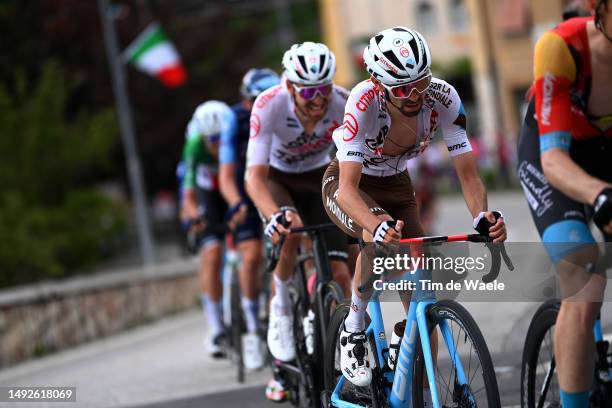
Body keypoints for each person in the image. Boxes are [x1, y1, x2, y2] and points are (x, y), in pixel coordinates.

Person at [321, 26, 507, 387]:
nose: (416, 96)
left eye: (421, 83)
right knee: (379, 244)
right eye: (403, 89)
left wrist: (482, 217)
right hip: (350, 184)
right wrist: (375, 226)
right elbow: (347, 190)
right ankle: (354, 328)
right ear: (378, 83)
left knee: (422, 291)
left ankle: (418, 384)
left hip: (397, 184)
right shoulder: (362, 101)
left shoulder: (445, 98)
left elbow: (468, 175)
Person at [517, 1, 612, 406]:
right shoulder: (561, 48)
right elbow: (554, 161)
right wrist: (600, 194)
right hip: (554, 157)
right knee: (583, 277)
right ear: (600, 8)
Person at [245, 42, 352, 366]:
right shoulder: (269, 104)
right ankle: (279, 308)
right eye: (308, 93)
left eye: (324, 90)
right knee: (290, 229)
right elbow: (254, 178)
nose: (318, 101)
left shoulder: (344, 103)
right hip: (278, 178)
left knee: (340, 270)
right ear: (289, 86)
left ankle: (346, 342)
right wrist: (273, 215)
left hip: (319, 176)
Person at [218, 68, 281, 370]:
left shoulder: (284, 110)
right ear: (245, 102)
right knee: (253, 255)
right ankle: (254, 330)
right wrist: (236, 204)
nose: (263, 105)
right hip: (246, 187)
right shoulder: (235, 120)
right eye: (255, 100)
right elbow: (227, 175)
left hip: (277, 184)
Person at [180, 100, 231, 358]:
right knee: (211, 254)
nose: (218, 146)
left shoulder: (236, 139)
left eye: (223, 139)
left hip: (230, 185)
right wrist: (194, 216)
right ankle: (214, 325)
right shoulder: (194, 145)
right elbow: (187, 196)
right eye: (213, 140)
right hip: (206, 191)